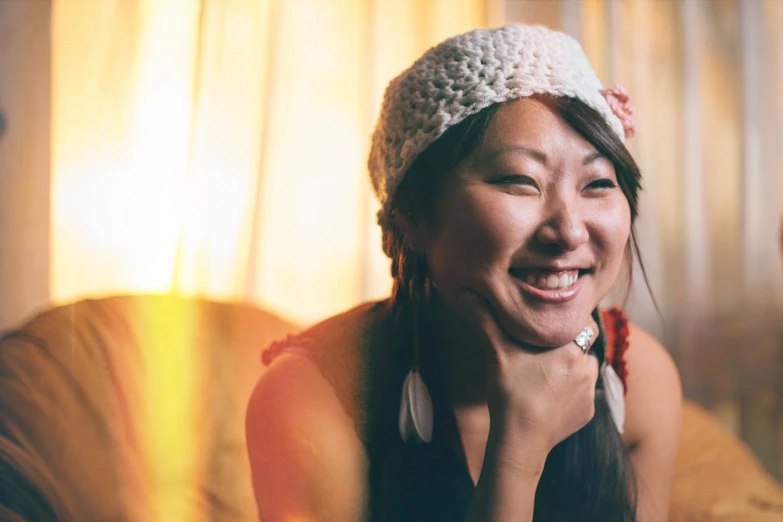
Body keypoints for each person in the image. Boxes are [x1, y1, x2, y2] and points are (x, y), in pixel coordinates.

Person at [246, 24, 682, 522]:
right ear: (414, 219)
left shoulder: (637, 377)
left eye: (597, 183)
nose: (568, 231)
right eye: (520, 182)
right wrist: (518, 451)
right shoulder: (311, 398)